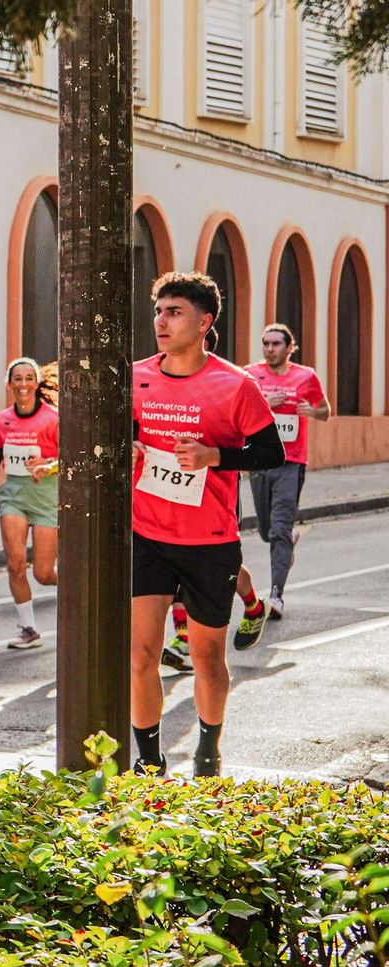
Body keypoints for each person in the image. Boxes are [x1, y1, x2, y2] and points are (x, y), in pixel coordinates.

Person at [129, 271, 283, 779]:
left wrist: (215, 454)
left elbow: (269, 452)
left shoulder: (235, 385)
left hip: (210, 542)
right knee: (141, 654)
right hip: (147, 533)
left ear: (204, 321)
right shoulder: (137, 376)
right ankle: (149, 761)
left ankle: (208, 749)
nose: (162, 321)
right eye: (159, 311)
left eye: (174, 312)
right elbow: (127, 431)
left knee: (208, 660)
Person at [238, 322, 329, 631]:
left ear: (290, 348)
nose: (270, 349)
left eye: (276, 344)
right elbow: (237, 410)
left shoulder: (306, 376)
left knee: (278, 528)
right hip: (260, 461)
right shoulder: (251, 375)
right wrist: (265, 401)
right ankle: (287, 540)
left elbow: (325, 410)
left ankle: (276, 595)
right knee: (266, 531)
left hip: (291, 462)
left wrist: (311, 411)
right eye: (266, 343)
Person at [0, 357, 59, 650]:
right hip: (13, 495)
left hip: (46, 497)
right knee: (14, 564)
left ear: (36, 383)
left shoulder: (53, 419)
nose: (23, 384)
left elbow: (71, 459)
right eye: (18, 379)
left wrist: (48, 464)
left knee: (43, 573)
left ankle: (74, 588)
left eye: (28, 378)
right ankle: (28, 627)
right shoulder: (2, 419)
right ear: (9, 384)